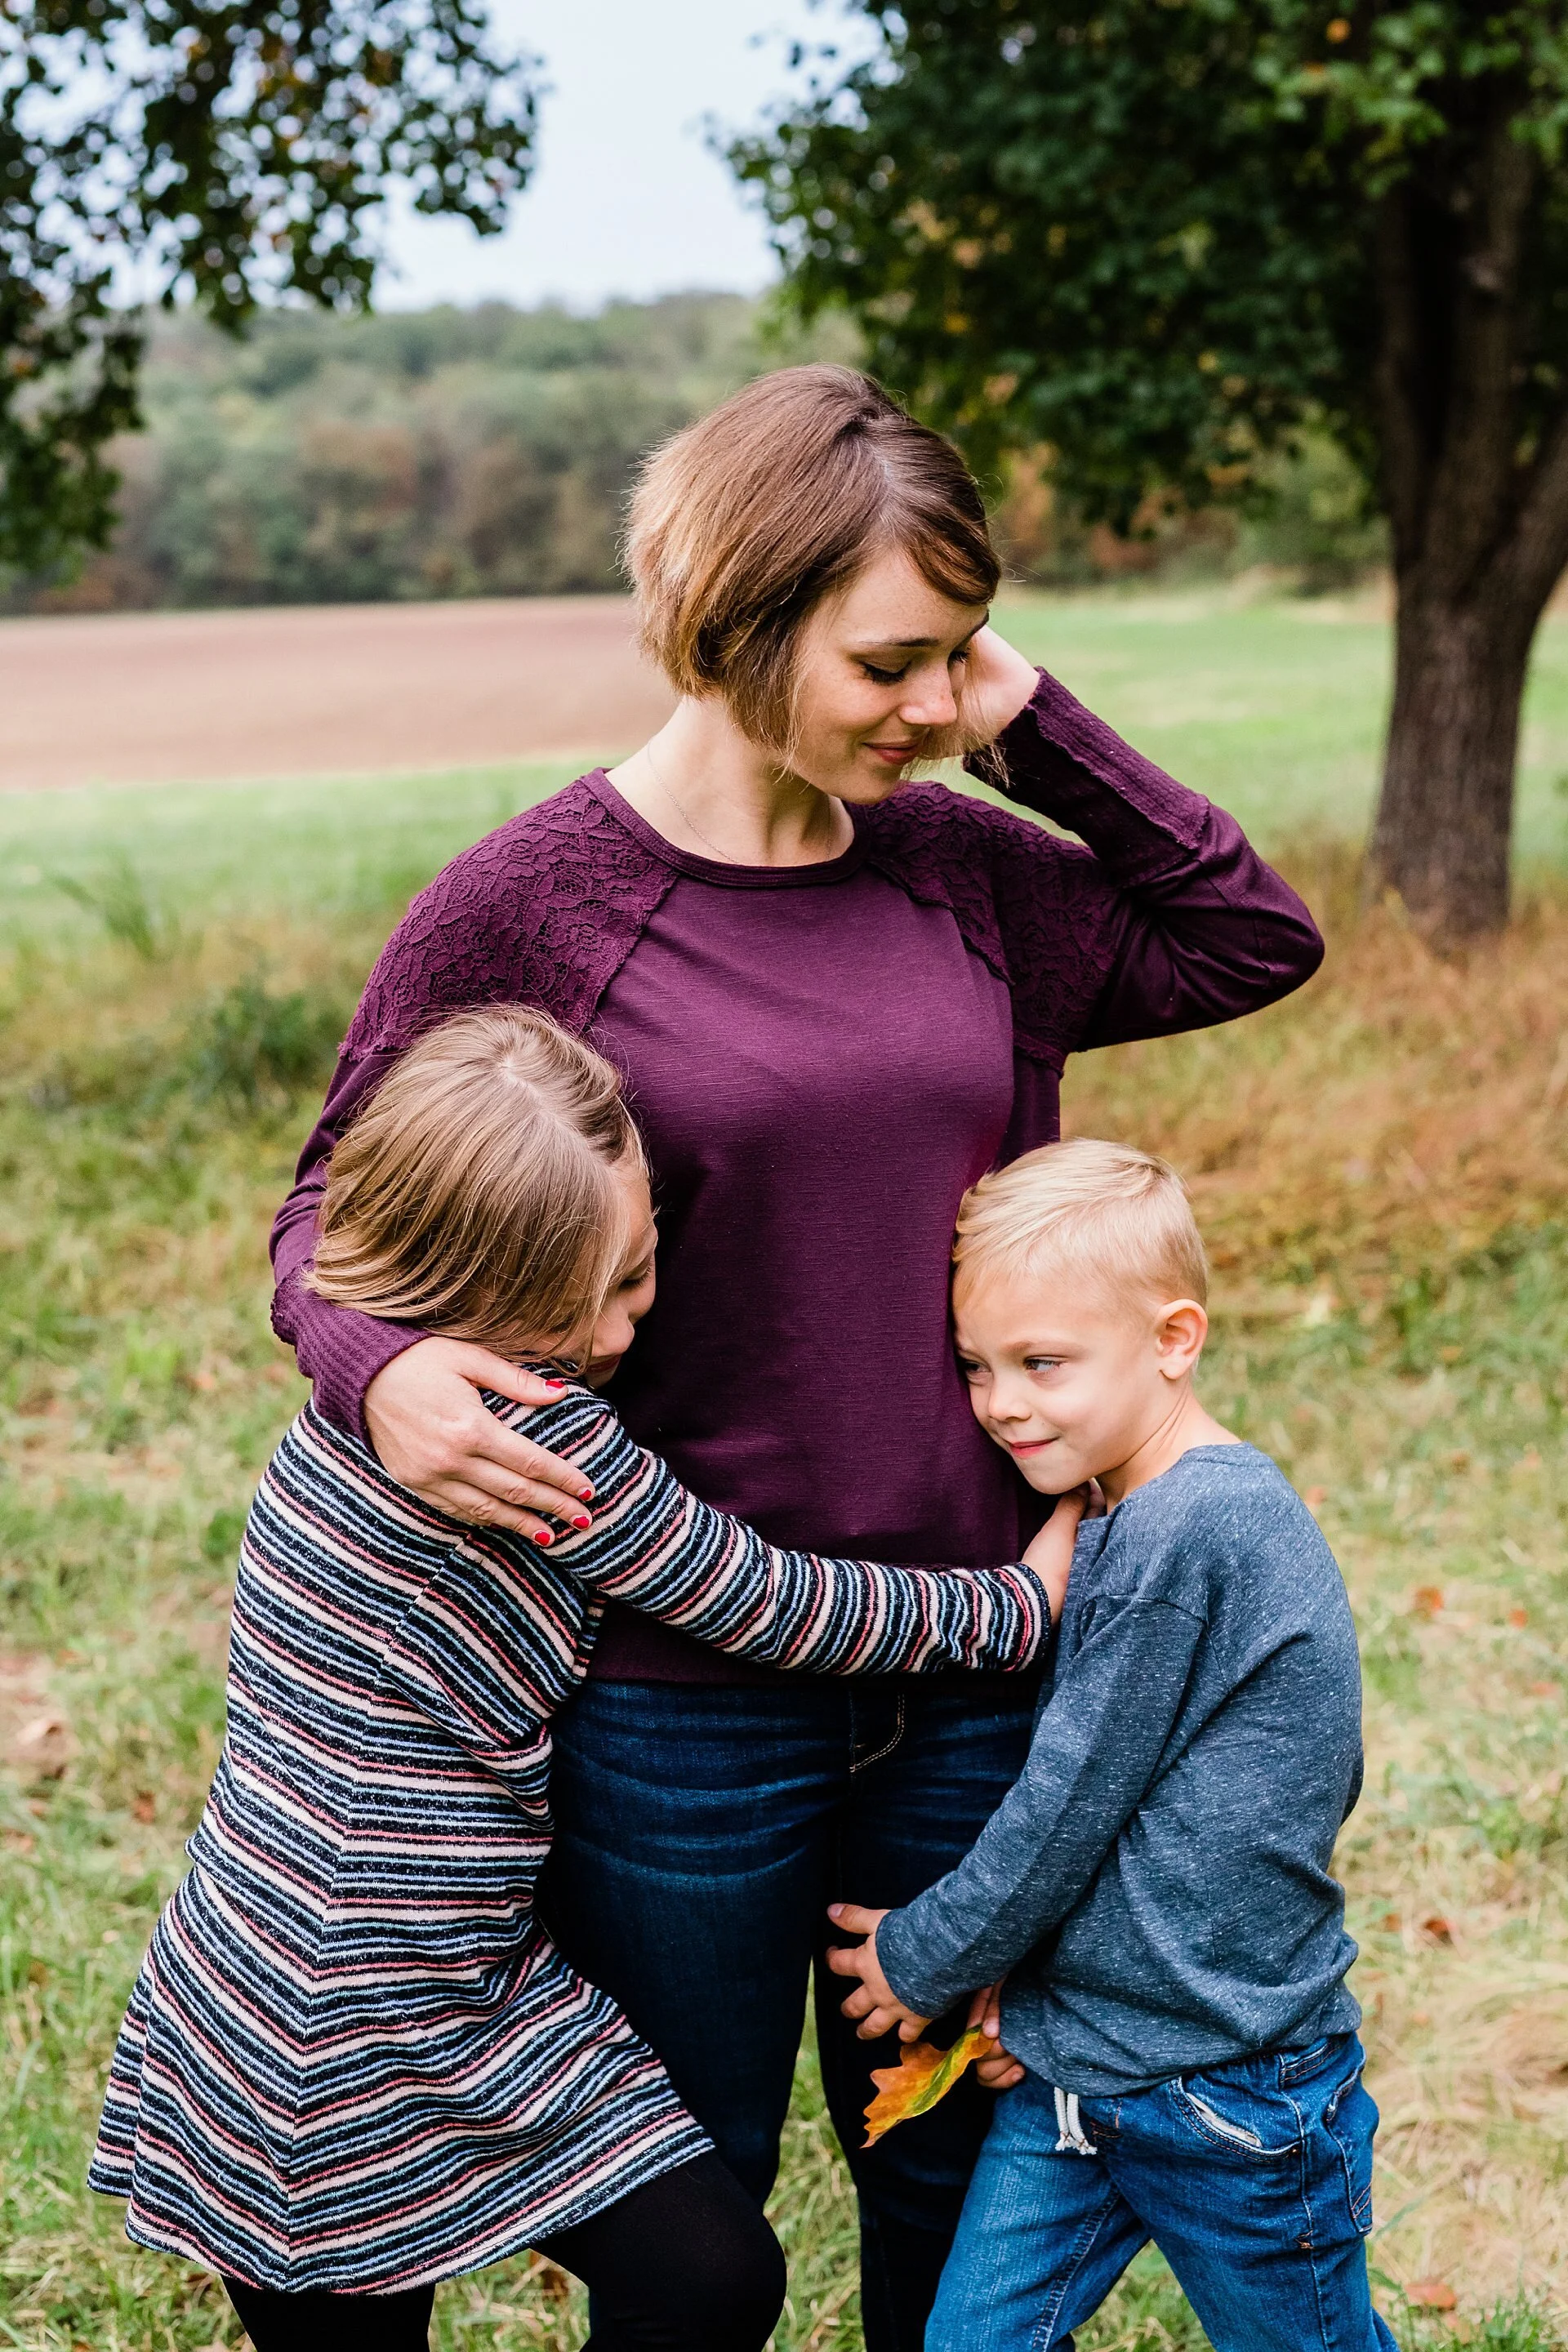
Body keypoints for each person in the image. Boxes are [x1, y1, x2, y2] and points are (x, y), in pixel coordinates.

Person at [268, 364, 1325, 2347]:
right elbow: (326, 1220)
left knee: (950, 2167)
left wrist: (1030, 727)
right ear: (737, 623)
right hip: (680, 1698)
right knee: (701, 2201)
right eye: (894, 661)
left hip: (997, 1659)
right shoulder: (529, 906)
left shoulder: (962, 866)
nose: (936, 704)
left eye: (963, 657)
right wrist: (378, 1370)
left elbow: (1248, 936)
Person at [90, 1007, 1072, 2352]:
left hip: (264, 1949)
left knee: (636, 2278)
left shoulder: (361, 1401)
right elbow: (769, 1602)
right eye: (613, 1288)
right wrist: (1020, 1605)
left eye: (645, 1261)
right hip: (377, 1985)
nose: (642, 1314)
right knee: (707, 2279)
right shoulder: (536, 1448)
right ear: (491, 1294)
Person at [827, 1139, 1395, 2352]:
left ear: (1174, 1339)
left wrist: (923, 1958)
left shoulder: (1192, 1532)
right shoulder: (1126, 1511)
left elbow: (1067, 1805)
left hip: (1229, 2096)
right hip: (1081, 2090)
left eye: (1044, 1364)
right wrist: (1034, 1999)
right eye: (978, 1367)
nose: (1002, 1404)